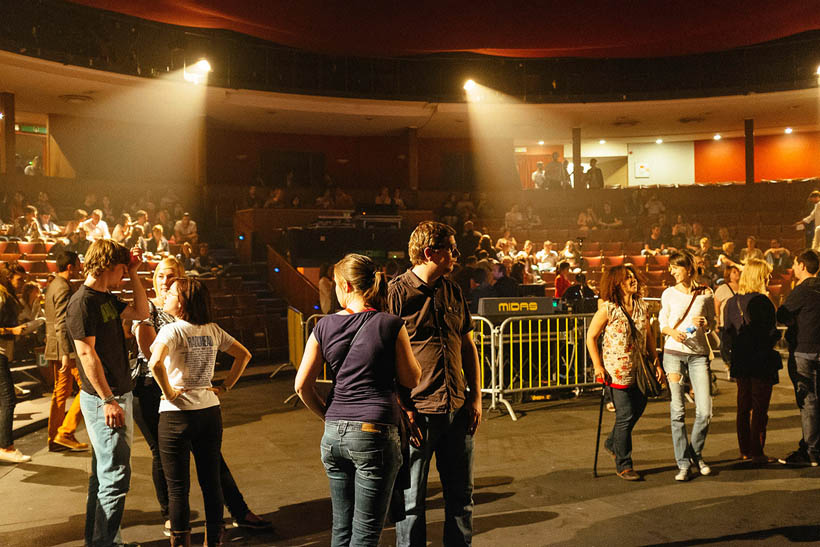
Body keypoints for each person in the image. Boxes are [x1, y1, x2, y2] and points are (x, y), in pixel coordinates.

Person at [134, 258, 270, 539]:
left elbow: (155, 362)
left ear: (182, 294)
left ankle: (185, 531)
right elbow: (243, 355)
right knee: (204, 480)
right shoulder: (207, 326)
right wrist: (226, 385)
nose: (165, 284)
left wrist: (170, 391)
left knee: (180, 487)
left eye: (171, 281)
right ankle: (207, 535)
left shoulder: (173, 328)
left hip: (177, 407)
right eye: (160, 277)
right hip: (199, 404)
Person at [295, 254, 421, 546]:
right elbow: (412, 379)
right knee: (365, 533)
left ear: (346, 285)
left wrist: (327, 416)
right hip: (374, 432)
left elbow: (301, 385)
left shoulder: (323, 326)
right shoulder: (389, 324)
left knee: (341, 529)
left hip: (334, 435)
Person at [388, 221, 482, 547]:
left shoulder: (453, 290)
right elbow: (384, 357)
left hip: (456, 407)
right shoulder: (395, 294)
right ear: (430, 252)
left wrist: (476, 399)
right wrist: (404, 408)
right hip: (418, 414)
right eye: (451, 249)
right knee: (411, 502)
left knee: (461, 497)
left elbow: (468, 347)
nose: (457, 254)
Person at [66, 239, 149, 547]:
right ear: (110, 267)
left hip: (114, 395)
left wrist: (136, 274)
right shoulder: (82, 302)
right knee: (114, 477)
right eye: (122, 271)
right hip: (107, 399)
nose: (123, 276)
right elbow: (87, 355)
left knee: (102, 477)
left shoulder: (104, 297)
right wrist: (108, 399)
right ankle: (105, 543)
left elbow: (141, 311)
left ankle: (101, 540)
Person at [587, 265, 662, 480]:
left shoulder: (641, 306)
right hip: (616, 370)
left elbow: (648, 336)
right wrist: (598, 366)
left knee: (639, 407)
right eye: (626, 278)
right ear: (616, 284)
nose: (632, 281)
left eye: (633, 277)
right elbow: (591, 337)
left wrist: (656, 362)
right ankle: (624, 463)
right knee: (625, 415)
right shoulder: (608, 309)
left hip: (639, 368)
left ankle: (612, 443)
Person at [659, 251, 716, 481]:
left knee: (705, 411)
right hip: (673, 353)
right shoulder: (668, 294)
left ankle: (695, 453)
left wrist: (706, 324)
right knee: (678, 410)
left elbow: (713, 324)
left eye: (676, 267)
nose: (671, 271)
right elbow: (663, 323)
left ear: (688, 269)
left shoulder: (705, 293)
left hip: (699, 355)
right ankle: (683, 463)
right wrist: (673, 331)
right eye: (671, 267)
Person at [722, 259, 781, 463]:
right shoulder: (764, 302)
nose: (769, 278)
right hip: (761, 359)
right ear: (759, 277)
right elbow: (772, 333)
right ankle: (757, 451)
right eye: (766, 275)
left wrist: (729, 359)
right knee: (760, 407)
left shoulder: (731, 302)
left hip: (740, 359)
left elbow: (727, 334)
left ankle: (744, 450)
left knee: (743, 405)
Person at [776, 250, 820, 467]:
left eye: (794, 263)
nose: (793, 268)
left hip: (804, 350)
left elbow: (781, 315)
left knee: (808, 402)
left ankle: (811, 452)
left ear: (802, 265)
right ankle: (813, 446)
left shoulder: (802, 290)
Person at [44, 251, 89, 452]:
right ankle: (66, 432)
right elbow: (62, 323)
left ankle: (55, 437)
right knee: (89, 387)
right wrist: (66, 354)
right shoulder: (63, 287)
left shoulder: (53, 284)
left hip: (55, 347)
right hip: (65, 350)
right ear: (70, 266)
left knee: (60, 392)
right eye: (78, 263)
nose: (80, 266)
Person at [0, 264, 31, 463]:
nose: (22, 284)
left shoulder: (6, 296)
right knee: (8, 399)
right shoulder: (2, 297)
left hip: (4, 352)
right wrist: (14, 331)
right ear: (8, 278)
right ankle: (6, 446)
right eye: (19, 280)